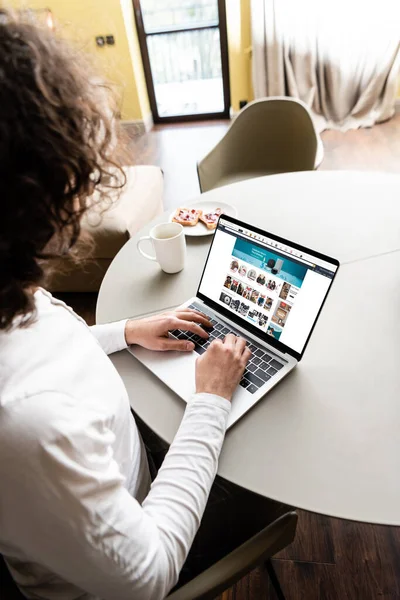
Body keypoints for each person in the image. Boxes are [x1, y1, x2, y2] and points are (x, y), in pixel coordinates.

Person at [0, 12, 288, 600]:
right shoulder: (24, 426)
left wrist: (127, 330)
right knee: (277, 470)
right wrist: (208, 401)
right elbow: (150, 577)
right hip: (141, 529)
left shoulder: (11, 289)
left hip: (115, 469)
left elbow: (45, 341)